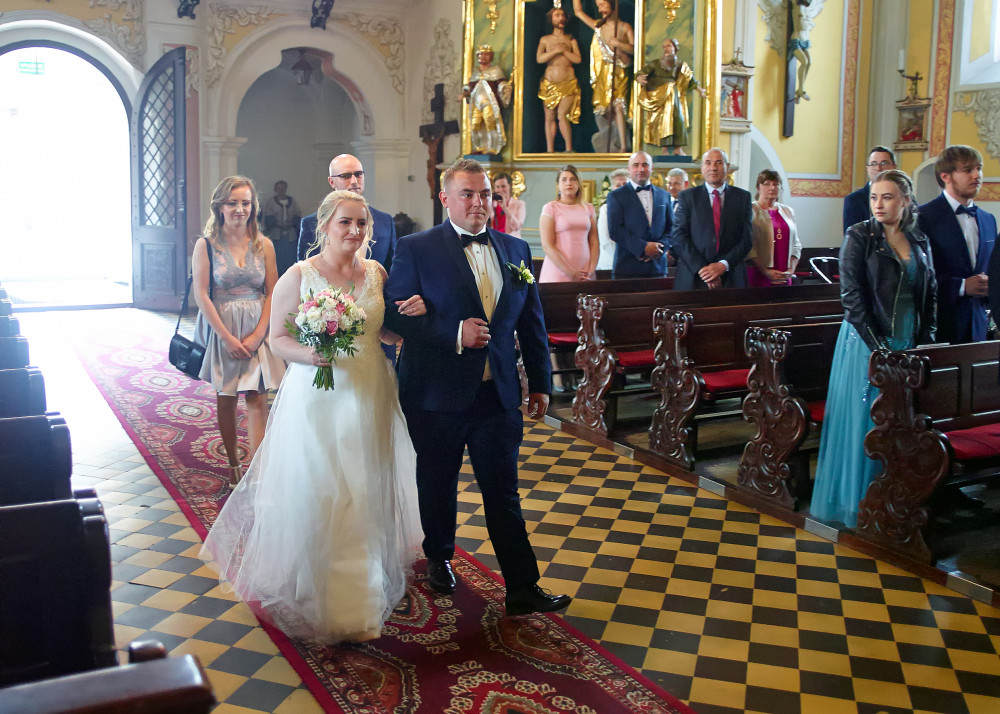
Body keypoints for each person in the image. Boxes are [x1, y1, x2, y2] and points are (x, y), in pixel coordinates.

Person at [201, 190, 427, 643]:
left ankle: (359, 598)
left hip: (371, 389)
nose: (355, 231)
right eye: (346, 222)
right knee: (325, 488)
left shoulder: (377, 273)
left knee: (365, 487)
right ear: (324, 226)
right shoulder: (300, 275)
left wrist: (411, 319)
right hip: (320, 394)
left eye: (362, 223)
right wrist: (312, 354)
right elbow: (279, 338)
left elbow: (381, 329)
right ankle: (317, 588)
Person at [383, 158, 571, 617]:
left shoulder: (515, 249)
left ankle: (522, 586)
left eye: (485, 193)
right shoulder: (416, 248)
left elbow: (532, 323)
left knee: (503, 490)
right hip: (436, 393)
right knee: (438, 481)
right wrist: (453, 332)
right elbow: (392, 316)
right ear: (445, 198)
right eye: (467, 194)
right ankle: (439, 555)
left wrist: (541, 383)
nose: (478, 202)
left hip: (498, 394)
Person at [811, 170, 936, 527]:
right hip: (866, 341)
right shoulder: (859, 236)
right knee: (866, 418)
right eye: (874, 197)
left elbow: (931, 292)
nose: (878, 204)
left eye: (888, 197)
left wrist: (927, 340)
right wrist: (879, 350)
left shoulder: (919, 239)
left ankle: (896, 501)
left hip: (908, 339)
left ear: (906, 201)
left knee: (901, 423)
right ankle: (858, 503)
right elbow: (852, 298)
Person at [192, 177, 285, 489]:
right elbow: (201, 295)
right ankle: (234, 464)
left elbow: (272, 292)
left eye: (246, 203)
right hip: (224, 324)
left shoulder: (264, 244)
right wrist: (226, 338)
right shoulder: (206, 245)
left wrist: (259, 334)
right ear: (220, 206)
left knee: (258, 396)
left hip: (257, 324)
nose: (240, 209)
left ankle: (257, 469)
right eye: (233, 203)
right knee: (227, 396)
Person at [298, 153, 398, 360]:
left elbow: (393, 275)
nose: (354, 181)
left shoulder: (385, 220)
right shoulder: (311, 223)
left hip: (376, 338)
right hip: (329, 336)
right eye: (346, 176)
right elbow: (305, 281)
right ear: (331, 181)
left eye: (358, 174)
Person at [919, 145, 996, 344]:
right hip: (941, 324)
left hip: (978, 326)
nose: (977, 175)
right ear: (946, 176)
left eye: (978, 169)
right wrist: (961, 286)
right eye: (968, 170)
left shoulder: (988, 220)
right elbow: (918, 276)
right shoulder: (923, 217)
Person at [670, 148, 753, 289]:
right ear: (702, 168)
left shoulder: (742, 197)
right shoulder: (688, 197)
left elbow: (746, 239)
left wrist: (723, 265)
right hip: (693, 277)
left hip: (731, 277)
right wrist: (703, 270)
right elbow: (679, 236)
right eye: (708, 163)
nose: (713, 168)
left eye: (718, 163)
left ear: (727, 167)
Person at [572, 0, 633, 153]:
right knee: (604, 109)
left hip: (619, 71)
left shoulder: (624, 27)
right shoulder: (599, 26)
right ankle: (609, 144)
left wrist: (619, 44)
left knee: (619, 106)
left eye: (603, 5)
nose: (600, 9)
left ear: (612, 4)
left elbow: (635, 49)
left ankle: (623, 146)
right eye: (598, 6)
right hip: (603, 73)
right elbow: (579, 12)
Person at [605, 151, 671, 278]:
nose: (641, 169)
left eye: (645, 165)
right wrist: (643, 248)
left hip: (658, 268)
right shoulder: (616, 196)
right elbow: (615, 230)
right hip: (627, 269)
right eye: (636, 165)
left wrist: (659, 249)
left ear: (652, 168)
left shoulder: (664, 195)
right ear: (629, 169)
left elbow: (672, 228)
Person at [635, 39, 706, 155]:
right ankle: (665, 148)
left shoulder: (681, 65)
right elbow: (641, 72)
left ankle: (678, 148)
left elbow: (690, 80)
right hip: (660, 98)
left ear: (675, 48)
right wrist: (639, 77)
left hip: (675, 99)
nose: (666, 49)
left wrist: (700, 90)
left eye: (668, 46)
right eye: (664, 47)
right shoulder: (655, 64)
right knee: (664, 122)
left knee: (679, 121)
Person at [539, 165, 599, 282]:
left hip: (585, 273)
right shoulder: (550, 208)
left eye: (573, 179)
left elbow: (594, 242)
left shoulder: (589, 208)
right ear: (558, 185)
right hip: (558, 272)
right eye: (564, 179)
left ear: (579, 183)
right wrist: (569, 272)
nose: (569, 183)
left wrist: (591, 270)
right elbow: (547, 246)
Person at [536, 5, 582, 153]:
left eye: (562, 15)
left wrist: (565, 52)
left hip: (568, 82)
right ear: (551, 19)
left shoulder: (571, 39)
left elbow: (577, 59)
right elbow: (539, 59)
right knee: (549, 117)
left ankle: (568, 148)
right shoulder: (545, 40)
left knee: (562, 115)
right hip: (550, 83)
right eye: (557, 15)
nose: (560, 18)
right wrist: (555, 51)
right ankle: (550, 150)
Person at [747, 169, 801, 287]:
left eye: (776, 184)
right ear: (758, 188)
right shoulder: (750, 210)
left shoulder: (788, 211)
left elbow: (796, 245)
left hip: (784, 274)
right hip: (759, 274)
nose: (772, 188)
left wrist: (791, 270)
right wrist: (765, 271)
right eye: (766, 184)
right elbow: (748, 246)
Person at [462, 45, 512, 156]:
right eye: (481, 54)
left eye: (486, 54)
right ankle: (479, 147)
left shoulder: (496, 71)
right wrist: (465, 92)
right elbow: (470, 87)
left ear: (491, 57)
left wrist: (505, 88)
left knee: (490, 124)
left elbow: (500, 84)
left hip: (489, 103)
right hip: (476, 104)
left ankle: (492, 148)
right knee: (475, 125)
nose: (483, 57)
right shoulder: (475, 73)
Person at [843, 146, 896, 232]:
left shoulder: (904, 196)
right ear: (867, 168)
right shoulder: (854, 200)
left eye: (884, 163)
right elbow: (852, 236)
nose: (878, 168)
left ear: (894, 166)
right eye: (873, 164)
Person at [260, 180, 302, 276]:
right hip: (276, 235)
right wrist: (277, 224)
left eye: (283, 188)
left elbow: (297, 215)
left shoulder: (292, 201)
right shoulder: (271, 202)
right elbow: (268, 217)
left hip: (290, 236)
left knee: (290, 256)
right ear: (275, 189)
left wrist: (292, 224)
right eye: (279, 188)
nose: (281, 190)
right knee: (278, 257)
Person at [597, 168, 629, 271]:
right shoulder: (605, 209)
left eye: (625, 184)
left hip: (633, 264)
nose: (622, 188)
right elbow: (606, 240)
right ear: (612, 189)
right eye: (618, 185)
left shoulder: (637, 208)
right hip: (610, 264)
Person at [490, 172, 526, 239]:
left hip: (511, 241)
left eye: (503, 186)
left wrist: (505, 208)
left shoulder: (519, 204)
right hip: (493, 241)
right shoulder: (491, 204)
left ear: (510, 186)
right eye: (497, 187)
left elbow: (516, 227)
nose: (500, 190)